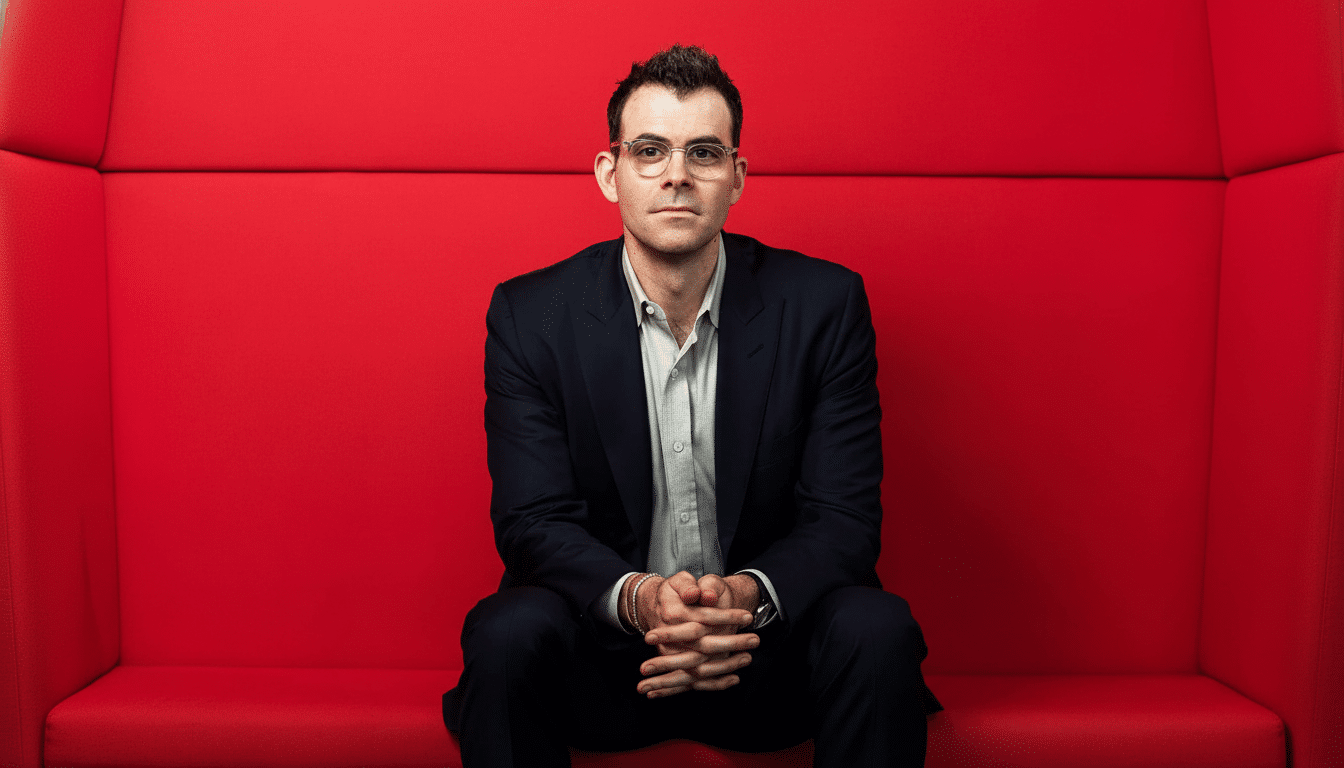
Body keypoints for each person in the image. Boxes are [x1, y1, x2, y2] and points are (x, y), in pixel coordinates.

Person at [443, 44, 941, 767]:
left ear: (736, 177)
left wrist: (740, 602)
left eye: (703, 153)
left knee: (877, 626)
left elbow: (844, 522)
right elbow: (533, 524)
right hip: (607, 657)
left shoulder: (823, 306)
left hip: (769, 655)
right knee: (506, 631)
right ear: (610, 175)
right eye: (650, 151)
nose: (677, 175)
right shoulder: (531, 316)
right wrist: (646, 603)